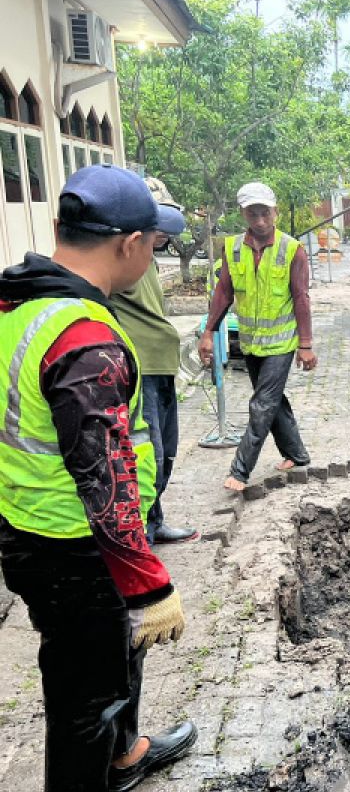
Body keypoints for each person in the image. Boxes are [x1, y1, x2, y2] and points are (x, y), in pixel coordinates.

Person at [0, 164, 196, 791]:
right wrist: (146, 583)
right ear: (129, 243)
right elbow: (102, 477)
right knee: (87, 702)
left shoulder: (18, 307)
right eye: (155, 245)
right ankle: (101, 766)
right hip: (76, 550)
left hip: (29, 529)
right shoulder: (83, 338)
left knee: (95, 673)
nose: (155, 258)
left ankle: (126, 753)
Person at [199, 182, 317, 492]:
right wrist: (208, 332)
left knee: (262, 405)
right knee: (273, 401)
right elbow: (223, 292)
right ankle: (296, 454)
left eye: (265, 213)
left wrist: (305, 345)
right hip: (251, 343)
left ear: (275, 212)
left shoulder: (293, 249)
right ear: (244, 214)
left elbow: (301, 298)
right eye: (254, 214)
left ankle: (240, 471)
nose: (261, 221)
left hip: (281, 342)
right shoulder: (233, 248)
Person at [112, 199, 198, 545]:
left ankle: (155, 520)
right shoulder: (121, 260)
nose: (160, 237)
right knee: (150, 454)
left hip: (162, 363)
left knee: (168, 449)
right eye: (155, 231)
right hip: (141, 367)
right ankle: (141, 535)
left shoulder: (147, 261)